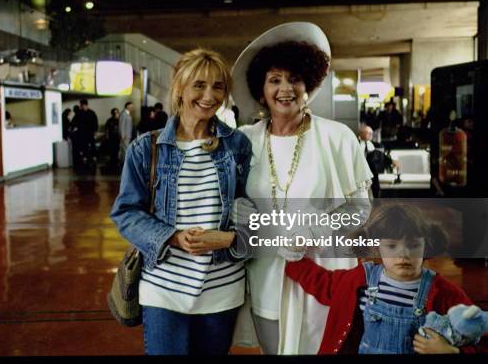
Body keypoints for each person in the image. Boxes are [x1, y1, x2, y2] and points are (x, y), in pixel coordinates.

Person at [230, 22, 374, 354]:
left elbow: (361, 208)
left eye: (294, 79)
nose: (285, 89)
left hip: (323, 275)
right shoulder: (244, 140)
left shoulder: (337, 137)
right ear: (261, 89)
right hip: (265, 276)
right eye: (275, 80)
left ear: (308, 83)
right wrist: (236, 210)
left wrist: (313, 231)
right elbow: (229, 198)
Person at [110, 48, 253, 355]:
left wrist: (229, 238)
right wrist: (172, 237)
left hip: (222, 290)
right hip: (163, 288)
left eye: (218, 86)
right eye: (199, 85)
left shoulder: (237, 145)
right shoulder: (146, 148)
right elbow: (125, 212)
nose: (209, 95)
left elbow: (250, 210)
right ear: (180, 88)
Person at [283, 203, 486, 354]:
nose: (403, 254)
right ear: (376, 247)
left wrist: (451, 352)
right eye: (391, 246)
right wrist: (292, 255)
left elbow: (481, 337)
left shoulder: (444, 293)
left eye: (413, 245)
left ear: (427, 245)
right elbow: (322, 283)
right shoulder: (358, 279)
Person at [359, 125, 399, 198]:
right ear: (361, 134)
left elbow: (381, 156)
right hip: (360, 169)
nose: (371, 135)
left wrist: (391, 161)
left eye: (371, 133)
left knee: (374, 181)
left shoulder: (375, 145)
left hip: (372, 169)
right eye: (368, 133)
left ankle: (376, 198)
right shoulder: (356, 144)